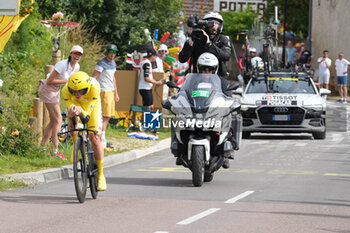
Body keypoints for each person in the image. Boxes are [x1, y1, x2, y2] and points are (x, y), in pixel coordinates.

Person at [62, 71, 107, 191]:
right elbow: (70, 105)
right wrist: (73, 112)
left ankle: (101, 174)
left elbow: (88, 113)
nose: (77, 94)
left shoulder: (94, 87)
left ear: (86, 88)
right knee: (72, 122)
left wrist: (82, 111)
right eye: (74, 91)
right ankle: (75, 146)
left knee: (94, 138)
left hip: (91, 106)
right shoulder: (65, 90)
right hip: (76, 105)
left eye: (81, 91)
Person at [38, 45, 83, 159]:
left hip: (56, 90)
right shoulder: (62, 65)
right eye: (75, 53)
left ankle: (43, 147)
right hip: (47, 89)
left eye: (79, 54)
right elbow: (49, 81)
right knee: (58, 119)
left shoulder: (76, 66)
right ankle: (55, 150)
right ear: (71, 54)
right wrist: (67, 80)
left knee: (54, 120)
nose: (77, 56)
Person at [179, 12, 231, 96]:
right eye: (210, 22)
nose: (213, 25)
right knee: (183, 98)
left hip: (218, 79)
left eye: (216, 23)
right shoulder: (197, 38)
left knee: (227, 101)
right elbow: (182, 59)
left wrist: (209, 43)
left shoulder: (223, 39)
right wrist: (190, 41)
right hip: (196, 78)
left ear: (220, 25)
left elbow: (226, 56)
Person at [92, 44, 120, 148]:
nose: (112, 54)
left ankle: (102, 137)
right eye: (111, 52)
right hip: (104, 91)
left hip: (111, 91)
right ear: (107, 52)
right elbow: (94, 76)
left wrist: (116, 93)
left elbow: (113, 78)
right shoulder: (101, 63)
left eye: (114, 52)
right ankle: (101, 138)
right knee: (105, 116)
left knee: (107, 116)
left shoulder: (113, 64)